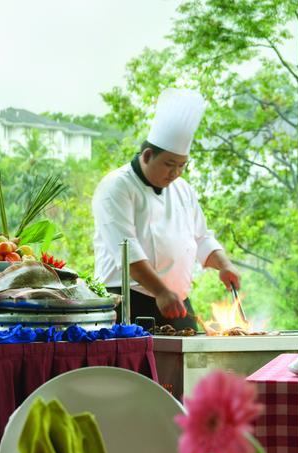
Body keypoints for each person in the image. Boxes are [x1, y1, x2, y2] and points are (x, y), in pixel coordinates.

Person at [92, 88, 241, 330]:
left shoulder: (183, 189)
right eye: (169, 165)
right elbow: (126, 251)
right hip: (128, 301)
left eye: (182, 166)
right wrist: (160, 291)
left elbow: (202, 238)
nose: (175, 173)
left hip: (176, 302)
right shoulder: (116, 186)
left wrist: (225, 265)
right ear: (148, 155)